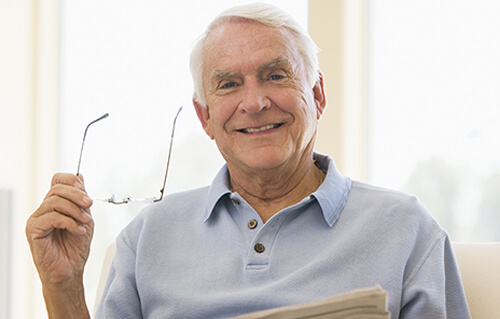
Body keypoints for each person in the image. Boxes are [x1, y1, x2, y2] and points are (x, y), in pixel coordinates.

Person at [26, 3, 471, 318]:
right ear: (204, 117)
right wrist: (62, 289)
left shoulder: (406, 228)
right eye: (228, 85)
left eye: (276, 76)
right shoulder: (148, 237)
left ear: (316, 95)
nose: (254, 103)